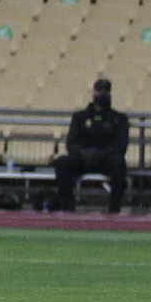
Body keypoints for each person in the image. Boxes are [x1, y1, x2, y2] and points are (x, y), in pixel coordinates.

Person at [54, 79, 129, 214]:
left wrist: (101, 154)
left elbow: (120, 146)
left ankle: (114, 211)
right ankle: (68, 208)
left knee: (119, 163)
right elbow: (71, 143)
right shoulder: (80, 117)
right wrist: (83, 153)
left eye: (105, 91)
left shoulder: (118, 119)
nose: (102, 94)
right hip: (83, 158)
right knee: (62, 163)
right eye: (99, 91)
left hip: (105, 159)